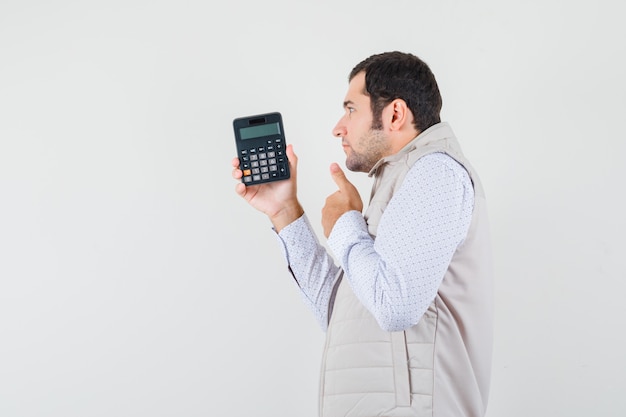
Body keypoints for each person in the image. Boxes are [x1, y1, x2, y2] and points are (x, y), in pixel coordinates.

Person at [231, 51, 494, 417]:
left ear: (395, 114)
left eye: (351, 109)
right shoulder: (397, 182)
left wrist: (345, 225)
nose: (339, 127)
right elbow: (343, 315)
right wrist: (284, 210)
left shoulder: (435, 172)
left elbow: (394, 307)